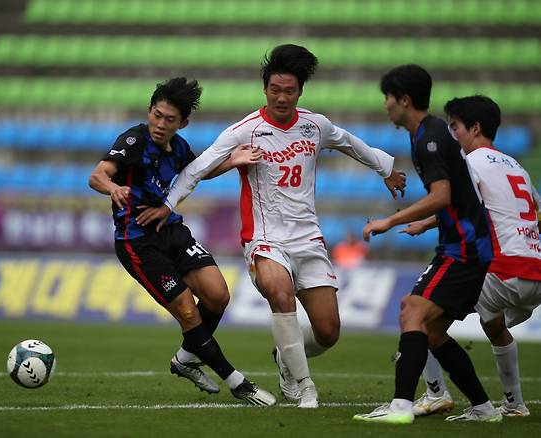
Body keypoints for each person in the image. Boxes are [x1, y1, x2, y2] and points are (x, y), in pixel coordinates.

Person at [135, 45, 407, 408]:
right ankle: (305, 386)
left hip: (308, 239)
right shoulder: (245, 131)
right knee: (280, 294)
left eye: (289, 91)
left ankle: (285, 359)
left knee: (328, 332)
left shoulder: (315, 125)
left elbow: (350, 143)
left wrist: (385, 169)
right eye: (275, 90)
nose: (281, 97)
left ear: (300, 92)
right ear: (265, 89)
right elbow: (195, 170)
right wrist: (168, 204)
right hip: (264, 240)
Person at [88, 77, 276, 406]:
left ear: (183, 123)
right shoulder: (133, 140)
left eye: (169, 120)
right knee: (188, 312)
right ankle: (237, 382)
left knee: (218, 296)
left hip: (170, 230)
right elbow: (97, 175)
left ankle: (186, 359)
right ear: (150, 111)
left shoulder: (178, 147)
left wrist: (232, 161)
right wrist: (113, 188)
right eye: (157, 115)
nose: (160, 124)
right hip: (137, 242)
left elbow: (196, 171)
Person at [354, 65, 501, 424]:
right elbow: (455, 198)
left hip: (464, 248)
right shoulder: (425, 133)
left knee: (412, 313)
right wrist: (426, 223)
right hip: (464, 245)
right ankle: (483, 408)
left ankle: (401, 406)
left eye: (388, 98)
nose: (386, 105)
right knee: (432, 331)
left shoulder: (430, 137)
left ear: (404, 100)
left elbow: (442, 195)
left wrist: (390, 220)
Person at [411, 95, 541, 418]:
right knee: (493, 324)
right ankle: (514, 405)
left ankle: (435, 394)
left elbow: (447, 202)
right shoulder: (517, 167)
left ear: (475, 128)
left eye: (454, 127)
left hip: (501, 270)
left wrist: (420, 223)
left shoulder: (471, 163)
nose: (452, 134)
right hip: (535, 272)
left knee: (418, 313)